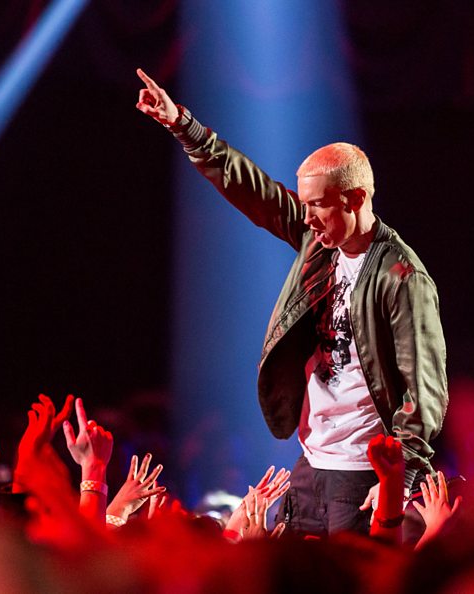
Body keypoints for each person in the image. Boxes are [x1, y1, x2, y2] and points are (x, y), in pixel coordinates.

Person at [135, 68, 448, 536]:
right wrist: (184, 125)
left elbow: (424, 390)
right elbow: (255, 190)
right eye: (304, 205)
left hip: (362, 471)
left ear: (355, 198)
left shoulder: (401, 276)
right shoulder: (318, 243)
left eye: (317, 205)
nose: (308, 218)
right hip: (312, 463)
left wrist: (399, 479)